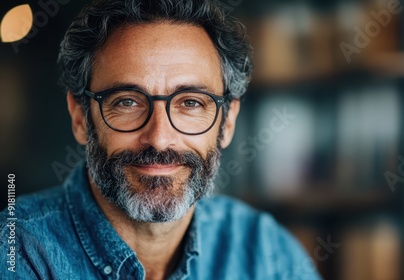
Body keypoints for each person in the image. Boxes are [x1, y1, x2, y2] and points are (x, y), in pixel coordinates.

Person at [0, 0, 321, 279]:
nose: (159, 138)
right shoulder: (17, 251)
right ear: (80, 117)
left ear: (228, 122)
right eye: (127, 101)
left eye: (191, 103)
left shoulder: (265, 250)